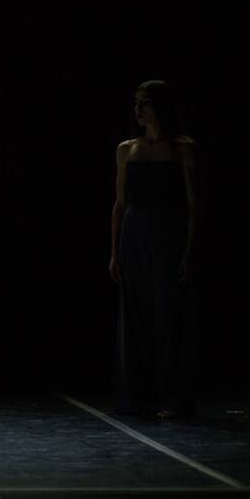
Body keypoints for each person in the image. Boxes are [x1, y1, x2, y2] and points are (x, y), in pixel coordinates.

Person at [109, 79, 198, 419]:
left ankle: (172, 397)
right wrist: (114, 252)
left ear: (161, 106)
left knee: (169, 316)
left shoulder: (183, 148)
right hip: (134, 235)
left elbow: (193, 204)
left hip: (168, 235)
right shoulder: (126, 149)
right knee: (137, 315)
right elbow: (119, 203)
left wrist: (189, 249)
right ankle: (139, 395)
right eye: (136, 102)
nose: (138, 109)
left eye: (145, 102)